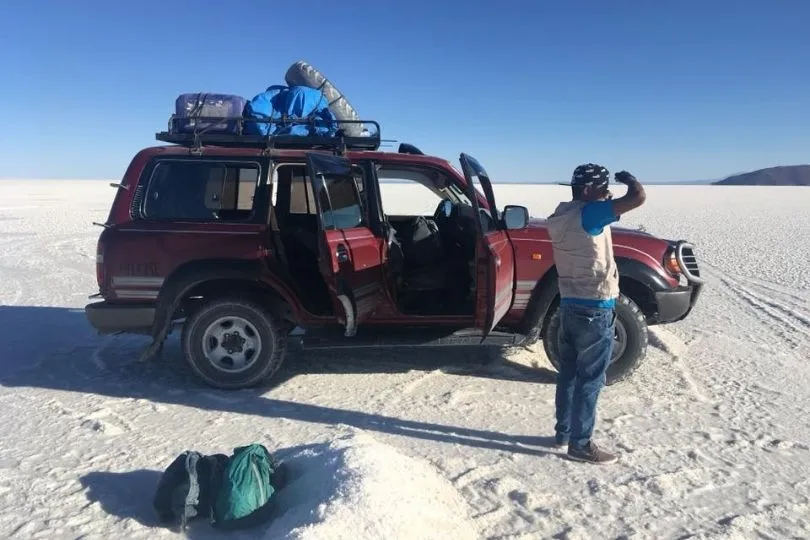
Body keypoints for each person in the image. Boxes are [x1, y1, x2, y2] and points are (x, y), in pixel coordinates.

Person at [545, 163, 646, 464]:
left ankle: (563, 433)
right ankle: (581, 444)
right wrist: (629, 179)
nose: (606, 195)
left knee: (569, 374)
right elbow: (638, 197)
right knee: (590, 378)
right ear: (588, 190)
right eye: (602, 189)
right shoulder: (591, 214)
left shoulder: (561, 216)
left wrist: (602, 196)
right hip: (595, 306)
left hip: (569, 303)